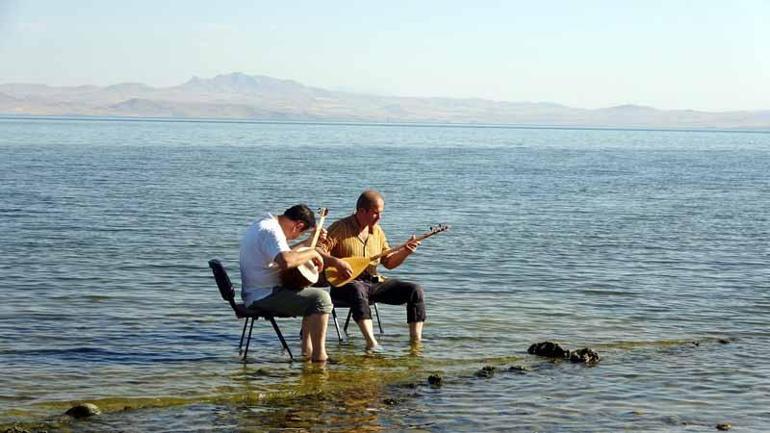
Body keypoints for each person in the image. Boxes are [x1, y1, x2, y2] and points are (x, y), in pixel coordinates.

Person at [319, 190, 425, 351]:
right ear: (362, 211)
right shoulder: (340, 228)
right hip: (345, 285)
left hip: (374, 282)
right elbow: (318, 250)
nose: (379, 217)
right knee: (357, 289)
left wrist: (406, 252)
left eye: (381, 213)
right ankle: (371, 342)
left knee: (414, 290)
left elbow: (388, 262)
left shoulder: (377, 231)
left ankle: (416, 342)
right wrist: (337, 263)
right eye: (375, 213)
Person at [239, 204, 333, 362]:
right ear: (298, 225)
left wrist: (308, 243)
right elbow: (287, 260)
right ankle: (319, 357)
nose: (294, 238)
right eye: (299, 234)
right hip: (264, 295)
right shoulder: (272, 231)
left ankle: (307, 352)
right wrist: (313, 252)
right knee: (321, 298)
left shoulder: (264, 223)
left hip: (255, 292)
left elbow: (284, 253)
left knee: (310, 294)